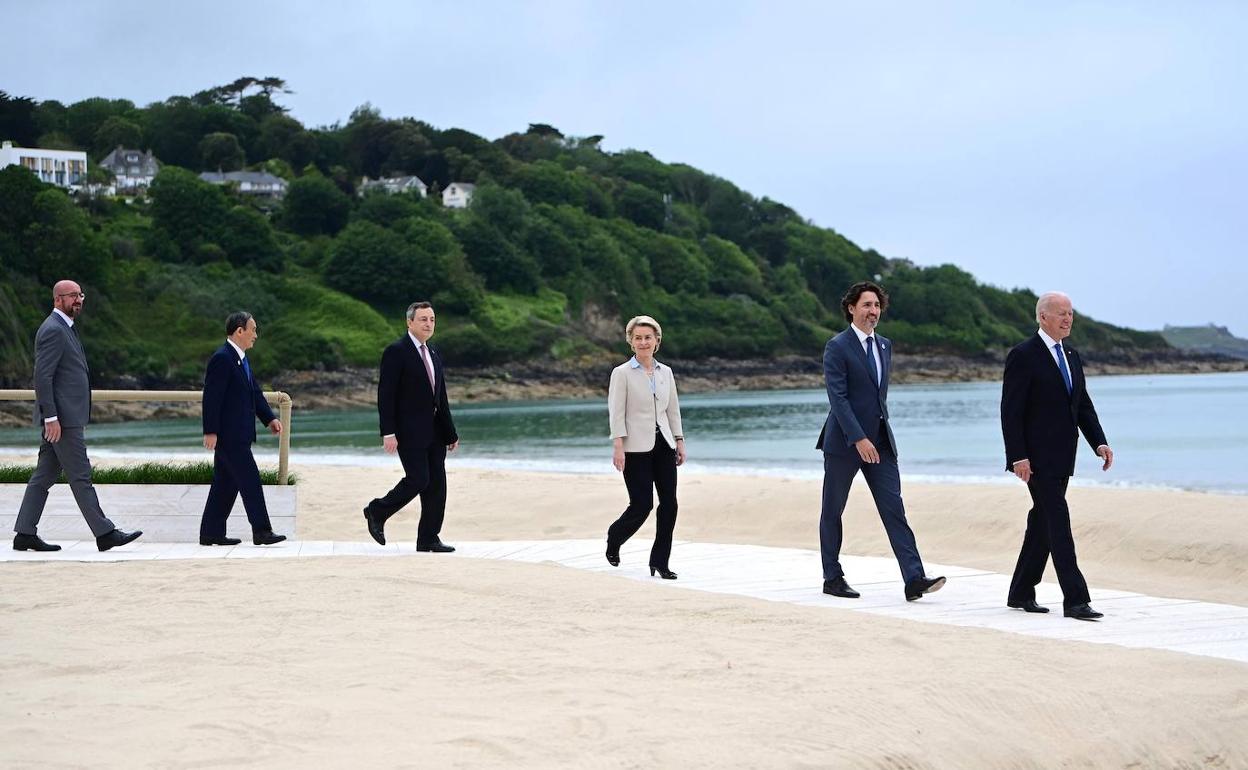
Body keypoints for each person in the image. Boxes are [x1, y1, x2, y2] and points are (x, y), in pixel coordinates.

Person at [817, 281, 945, 601]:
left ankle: (914, 578)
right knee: (833, 510)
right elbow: (839, 399)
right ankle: (832, 577)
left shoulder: (885, 345)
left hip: (881, 442)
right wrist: (858, 438)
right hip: (844, 443)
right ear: (851, 308)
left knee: (894, 509)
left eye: (877, 306)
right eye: (867, 305)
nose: (873, 311)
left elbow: (878, 398)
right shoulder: (837, 346)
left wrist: (874, 436)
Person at [1002, 291, 1114, 621]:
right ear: (1042, 317)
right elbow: (1011, 412)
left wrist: (1099, 443)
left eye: (1070, 314)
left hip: (1064, 456)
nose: (1067, 319)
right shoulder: (1023, 355)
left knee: (1042, 523)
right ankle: (1076, 599)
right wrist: (1018, 456)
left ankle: (1021, 591)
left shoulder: (1071, 355)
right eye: (1060, 313)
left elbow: (1082, 405)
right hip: (1034, 460)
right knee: (1059, 523)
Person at [12, 280, 142, 552]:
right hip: (63, 420)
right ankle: (105, 533)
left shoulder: (65, 328)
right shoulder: (54, 330)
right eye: (73, 296)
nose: (79, 300)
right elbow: (42, 376)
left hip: (64, 417)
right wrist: (51, 418)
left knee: (44, 476)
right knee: (81, 475)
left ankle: (24, 532)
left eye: (81, 295)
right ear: (58, 299)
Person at [364, 302, 459, 551]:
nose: (429, 324)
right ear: (410, 322)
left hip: (436, 432)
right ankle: (377, 510)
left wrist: (450, 432)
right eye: (423, 319)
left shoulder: (434, 353)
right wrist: (388, 432)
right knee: (418, 479)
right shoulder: (396, 351)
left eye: (432, 320)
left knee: (437, 485)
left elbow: (441, 396)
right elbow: (386, 395)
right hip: (409, 432)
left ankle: (428, 538)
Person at [605, 315, 686, 579]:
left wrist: (679, 440)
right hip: (634, 447)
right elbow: (616, 412)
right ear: (631, 342)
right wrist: (618, 445)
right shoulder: (622, 373)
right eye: (637, 338)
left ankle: (660, 562)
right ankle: (615, 537)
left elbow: (672, 409)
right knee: (641, 505)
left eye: (647, 337)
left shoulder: (666, 373)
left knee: (670, 504)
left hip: (663, 444)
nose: (643, 342)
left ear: (656, 341)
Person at [199, 311, 286, 546]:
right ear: (240, 331)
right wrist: (210, 431)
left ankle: (211, 533)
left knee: (225, 484)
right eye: (253, 329)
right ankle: (262, 531)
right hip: (229, 436)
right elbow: (212, 397)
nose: (255, 335)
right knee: (250, 481)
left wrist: (269, 418)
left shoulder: (240, 359)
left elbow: (254, 393)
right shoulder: (222, 358)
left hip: (239, 434)